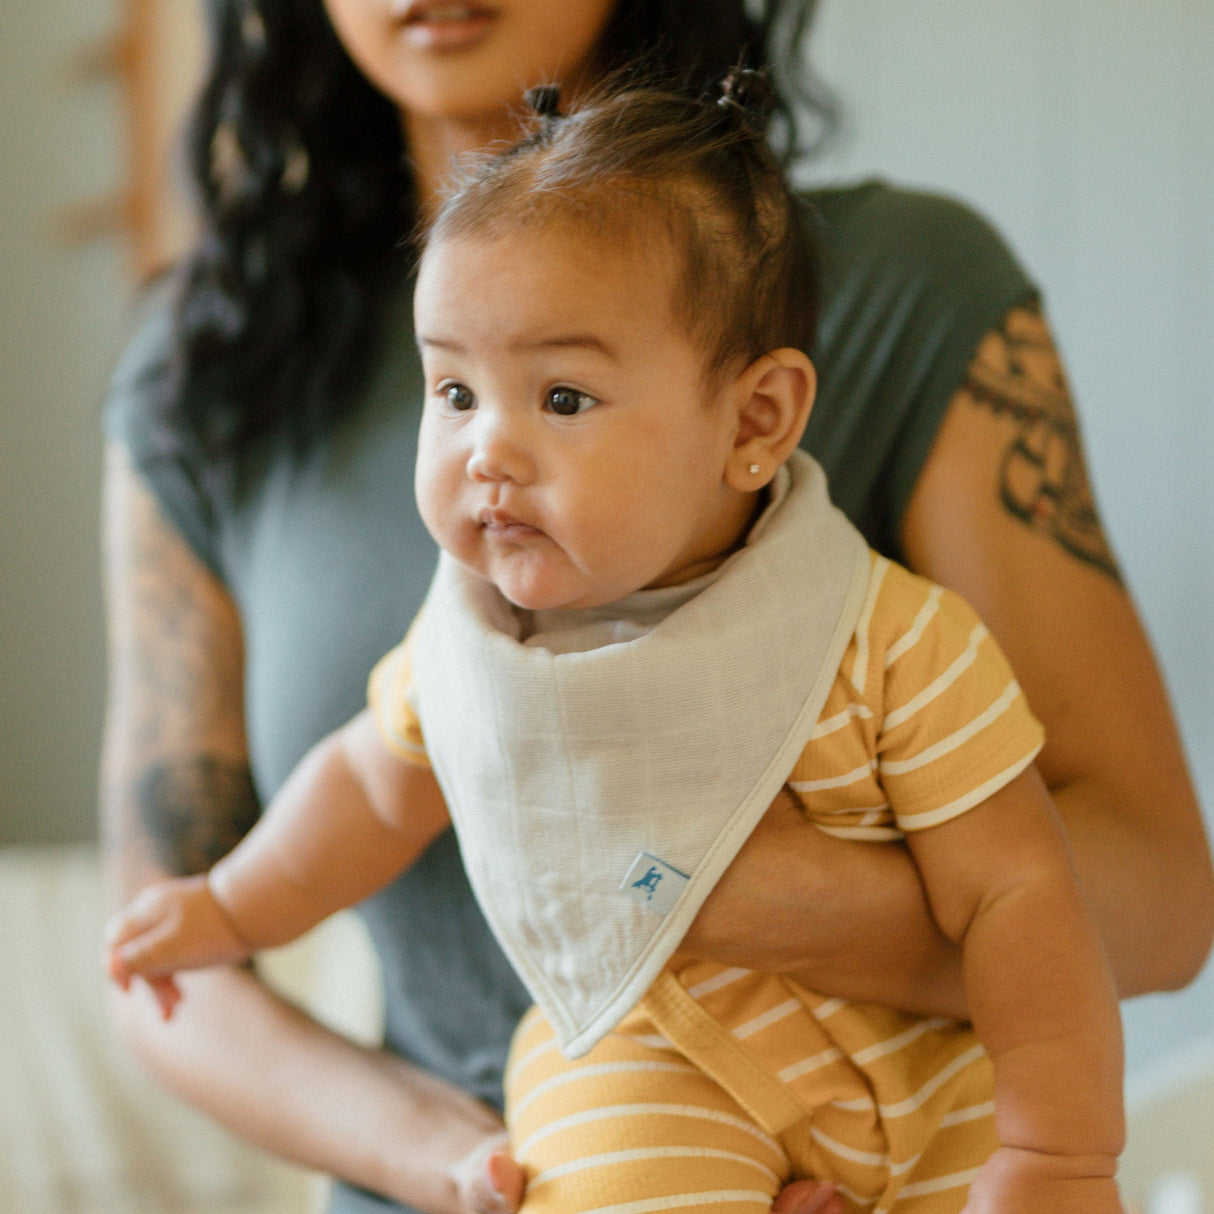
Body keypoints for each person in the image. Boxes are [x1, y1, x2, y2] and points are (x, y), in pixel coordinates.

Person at [98, 3, 1212, 1213]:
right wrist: (466, 1164)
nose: (489, 450)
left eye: (566, 394)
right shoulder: (210, 375)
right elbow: (309, 834)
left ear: (755, 422)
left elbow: (1135, 901)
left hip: (899, 1115)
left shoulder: (891, 484)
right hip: (553, 1126)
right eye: (453, 391)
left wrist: (746, 902)